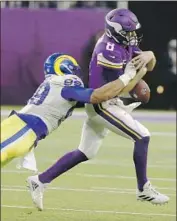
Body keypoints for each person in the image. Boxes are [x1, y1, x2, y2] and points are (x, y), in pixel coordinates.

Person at [27, 9, 169, 210]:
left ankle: (39, 180)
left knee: (86, 152)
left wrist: (149, 55)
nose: (133, 36)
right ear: (117, 31)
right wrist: (137, 75)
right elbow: (123, 87)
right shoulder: (108, 49)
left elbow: (150, 65)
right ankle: (143, 189)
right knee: (142, 136)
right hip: (102, 103)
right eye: (129, 32)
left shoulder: (123, 41)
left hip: (108, 100)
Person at [1, 51, 140, 169]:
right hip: (24, 129)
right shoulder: (65, 82)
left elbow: (101, 97)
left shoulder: (54, 84)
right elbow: (97, 96)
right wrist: (126, 77)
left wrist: (117, 102)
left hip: (20, 127)